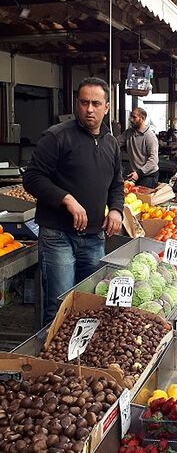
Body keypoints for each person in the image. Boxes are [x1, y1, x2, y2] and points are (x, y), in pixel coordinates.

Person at [23, 77, 124, 324]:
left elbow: (117, 185)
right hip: (58, 235)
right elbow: (32, 178)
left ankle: (79, 357)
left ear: (107, 107)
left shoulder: (111, 143)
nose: (89, 109)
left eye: (96, 103)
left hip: (94, 237)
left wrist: (117, 211)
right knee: (60, 305)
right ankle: (51, 360)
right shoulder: (57, 137)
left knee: (89, 303)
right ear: (77, 104)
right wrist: (65, 198)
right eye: (84, 102)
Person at [117, 107, 159, 188]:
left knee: (143, 198)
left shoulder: (150, 137)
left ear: (142, 118)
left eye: (134, 117)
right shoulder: (128, 133)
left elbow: (153, 161)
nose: (131, 119)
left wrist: (139, 173)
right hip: (135, 174)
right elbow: (115, 144)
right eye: (131, 117)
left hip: (148, 175)